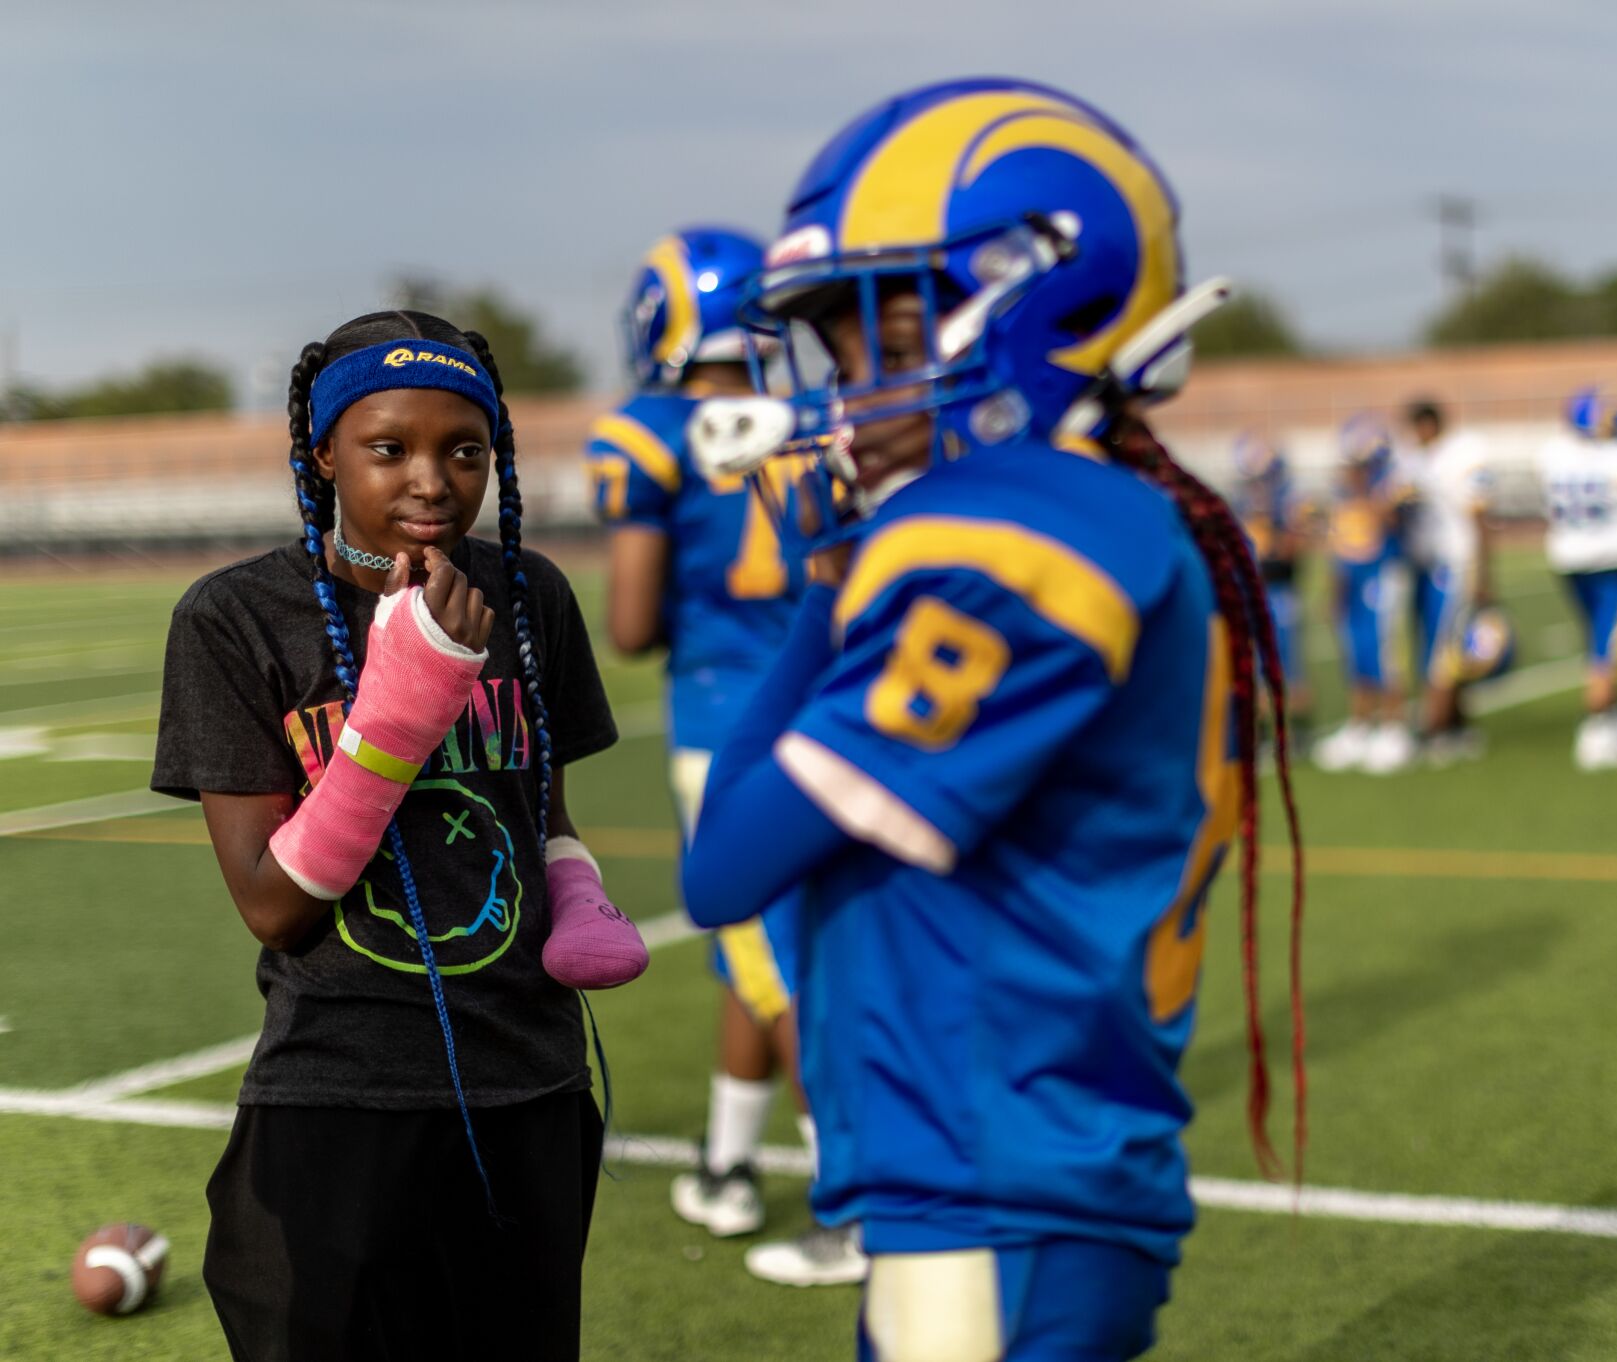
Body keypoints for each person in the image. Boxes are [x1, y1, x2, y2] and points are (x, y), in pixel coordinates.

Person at [678, 77, 1305, 1360]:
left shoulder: (1020, 523)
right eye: (842, 350)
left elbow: (727, 860)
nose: (852, 387)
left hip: (993, 1176)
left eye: (889, 334)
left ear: (1050, 295)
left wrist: (823, 600)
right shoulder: (1097, 510)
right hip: (1005, 1168)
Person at [151, 311, 636, 1361]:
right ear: (323, 454)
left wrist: (581, 890)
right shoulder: (235, 619)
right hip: (339, 1087)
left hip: (531, 1080)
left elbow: (542, 809)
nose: (431, 480)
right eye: (390, 448)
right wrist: (404, 704)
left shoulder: (529, 596)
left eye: (464, 450)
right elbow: (278, 908)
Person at [583, 230, 863, 1285]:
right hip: (831, 704)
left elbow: (629, 622)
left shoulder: (652, 434)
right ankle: (729, 1167)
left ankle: (855, 1203)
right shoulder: (815, 419)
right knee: (762, 954)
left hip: (728, 725)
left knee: (771, 960)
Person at [1536, 388, 1617, 770]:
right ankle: (1597, 728)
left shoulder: (1552, 454)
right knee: (1610, 646)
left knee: (1601, 639)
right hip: (1612, 560)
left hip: (1569, 561)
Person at [1312, 413, 1415, 775]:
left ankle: (1394, 727)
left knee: (1385, 654)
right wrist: (1333, 587)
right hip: (1352, 580)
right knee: (1356, 654)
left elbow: (1393, 520)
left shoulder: (1394, 486)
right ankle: (1360, 725)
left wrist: (1368, 492)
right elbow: (1340, 542)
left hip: (1383, 576)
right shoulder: (1343, 491)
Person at [1400, 397, 1493, 765]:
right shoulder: (1412, 456)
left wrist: (1484, 573)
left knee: (1444, 649)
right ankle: (1455, 725)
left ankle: (1435, 730)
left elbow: (1480, 515)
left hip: (1454, 563)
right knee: (1435, 644)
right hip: (1424, 564)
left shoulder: (1463, 454)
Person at [1229, 434, 1313, 753]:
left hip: (1279, 589)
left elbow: (1293, 550)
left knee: (1288, 662)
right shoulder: (1243, 502)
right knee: (1252, 663)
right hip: (1251, 590)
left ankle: (1299, 732)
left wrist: (1271, 547)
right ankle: (1263, 733)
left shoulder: (1286, 501)